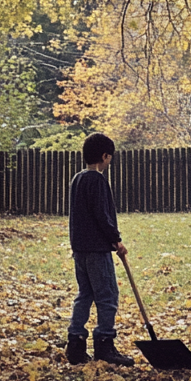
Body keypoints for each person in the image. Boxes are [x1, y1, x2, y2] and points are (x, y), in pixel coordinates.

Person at [65, 132, 134, 367]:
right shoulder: (97, 180)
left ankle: (75, 343)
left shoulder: (77, 179)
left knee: (85, 294)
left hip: (80, 248)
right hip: (96, 249)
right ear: (104, 156)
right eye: (109, 158)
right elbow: (102, 216)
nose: (110, 162)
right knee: (107, 296)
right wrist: (116, 241)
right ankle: (105, 342)